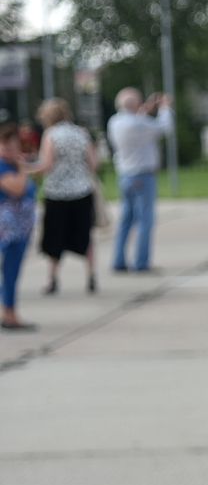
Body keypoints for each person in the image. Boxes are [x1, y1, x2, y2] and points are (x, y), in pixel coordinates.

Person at [23, 98, 98, 295]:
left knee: (55, 237)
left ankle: (53, 278)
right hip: (82, 191)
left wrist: (26, 170)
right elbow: (93, 163)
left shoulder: (51, 135)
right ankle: (91, 275)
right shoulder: (81, 133)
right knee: (85, 235)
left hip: (57, 193)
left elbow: (46, 165)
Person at [106, 87, 173, 274]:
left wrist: (143, 110)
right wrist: (165, 108)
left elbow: (137, 120)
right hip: (142, 175)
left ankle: (119, 260)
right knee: (145, 220)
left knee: (126, 220)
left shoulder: (115, 121)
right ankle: (141, 262)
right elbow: (164, 128)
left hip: (125, 174)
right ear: (135, 104)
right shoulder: (138, 124)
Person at [0, 122, 35, 330]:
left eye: (12, 147)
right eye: (4, 147)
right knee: (9, 271)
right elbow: (18, 189)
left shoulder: (12, 166)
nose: (8, 152)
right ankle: (9, 314)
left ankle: (10, 313)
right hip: (7, 229)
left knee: (12, 271)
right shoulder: (3, 167)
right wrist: (23, 168)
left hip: (20, 229)